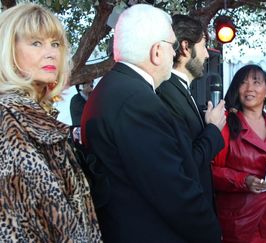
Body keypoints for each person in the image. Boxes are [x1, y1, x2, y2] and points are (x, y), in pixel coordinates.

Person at [80, 4, 223, 242]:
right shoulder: (138, 103)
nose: (174, 53)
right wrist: (211, 231)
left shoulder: (114, 88)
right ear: (157, 51)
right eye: (172, 45)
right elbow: (173, 191)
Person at [0, 3, 101, 242]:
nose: (51, 53)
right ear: (7, 50)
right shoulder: (8, 119)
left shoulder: (36, 117)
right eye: (36, 43)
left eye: (55, 44)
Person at [212, 64, 266, 243]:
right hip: (238, 220)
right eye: (243, 83)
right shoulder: (226, 124)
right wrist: (244, 181)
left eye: (256, 82)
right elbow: (211, 171)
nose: (249, 88)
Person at [156, 14, 225, 208]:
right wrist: (213, 128)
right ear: (186, 47)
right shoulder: (167, 92)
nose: (207, 55)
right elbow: (187, 162)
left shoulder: (180, 89)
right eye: (203, 45)